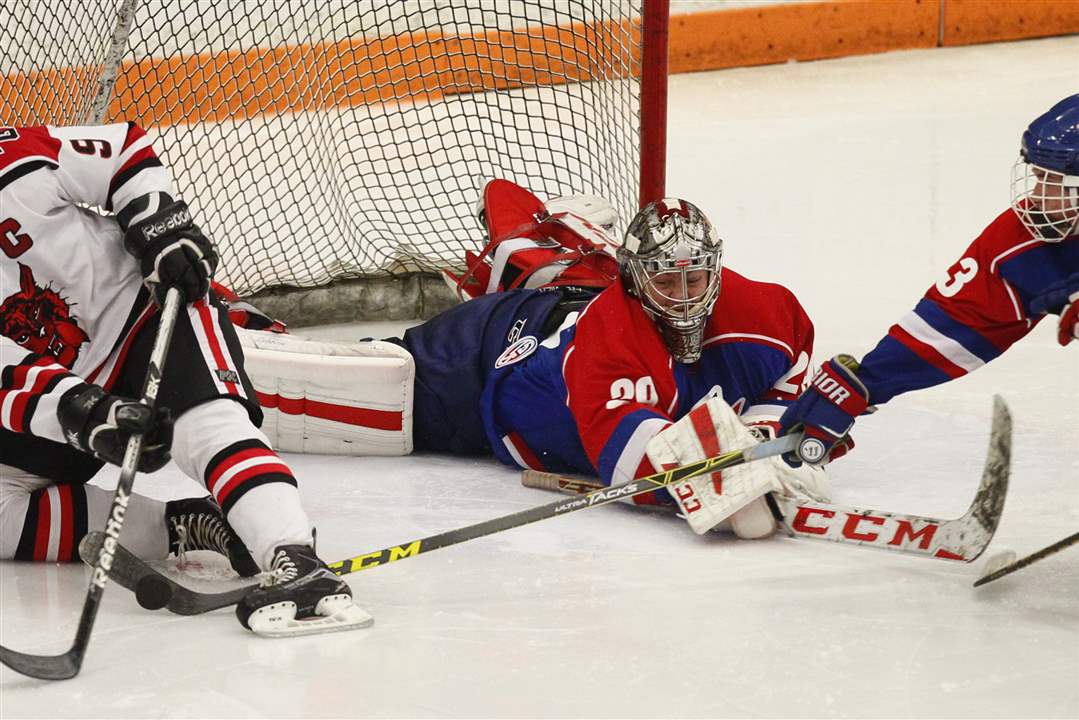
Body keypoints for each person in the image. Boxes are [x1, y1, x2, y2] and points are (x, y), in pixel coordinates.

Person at [0, 123, 369, 635]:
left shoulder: (13, 149)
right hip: (54, 391)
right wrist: (80, 410)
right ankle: (186, 524)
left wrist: (159, 228)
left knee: (207, 423)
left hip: (147, 312)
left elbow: (120, 151)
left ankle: (294, 558)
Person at [376, 180, 831, 537]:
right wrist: (735, 481)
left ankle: (554, 241)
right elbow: (632, 463)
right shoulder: (610, 338)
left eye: (694, 279)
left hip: (576, 298)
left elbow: (790, 369)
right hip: (486, 364)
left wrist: (768, 434)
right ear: (633, 279)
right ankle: (521, 254)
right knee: (372, 389)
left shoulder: (766, 312)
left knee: (567, 276)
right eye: (667, 284)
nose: (684, 299)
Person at [777, 94, 1079, 466]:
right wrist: (864, 386)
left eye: (1051, 182)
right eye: (1038, 178)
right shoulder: (1024, 240)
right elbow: (958, 320)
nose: (1035, 196)